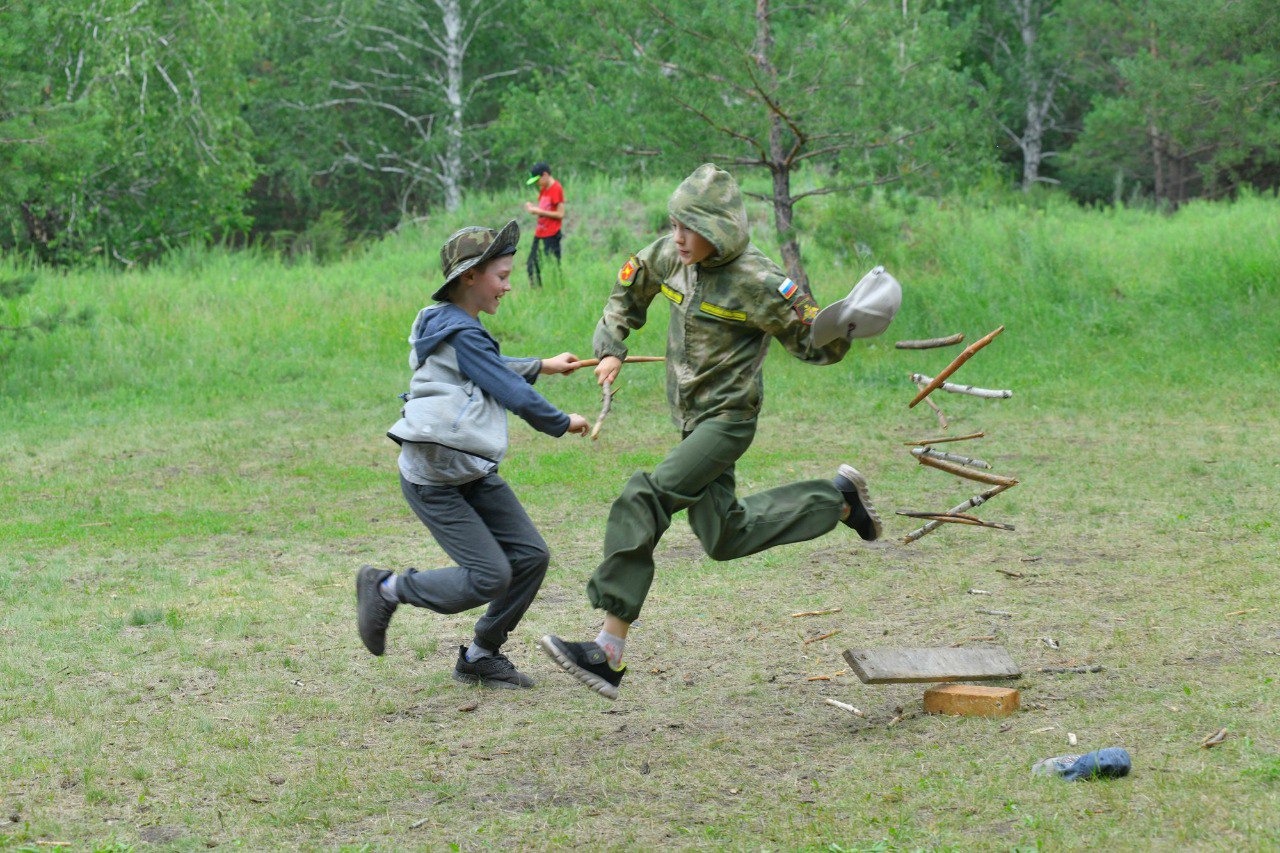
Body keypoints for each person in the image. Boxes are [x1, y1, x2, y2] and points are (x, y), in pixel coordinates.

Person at [539, 164, 900, 700]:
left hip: (727, 420)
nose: (678, 237)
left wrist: (848, 322)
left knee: (644, 497)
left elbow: (813, 341)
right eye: (675, 224)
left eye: (692, 227)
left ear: (722, 230)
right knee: (723, 536)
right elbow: (628, 293)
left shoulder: (759, 281)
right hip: (687, 422)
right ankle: (838, 501)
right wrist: (611, 346)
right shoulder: (670, 255)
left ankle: (607, 650)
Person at [356, 220, 590, 689]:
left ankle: (482, 654)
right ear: (469, 277)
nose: (507, 286)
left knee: (530, 557)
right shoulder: (461, 331)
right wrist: (562, 422)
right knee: (488, 575)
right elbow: (505, 387)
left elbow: (485, 365)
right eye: (501, 277)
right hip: (435, 481)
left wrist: (543, 365)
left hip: (468, 470)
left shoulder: (454, 326)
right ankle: (387, 589)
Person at [523, 162, 564, 288]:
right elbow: (545, 207)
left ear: (545, 175)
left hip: (551, 234)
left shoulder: (556, 188)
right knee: (532, 264)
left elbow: (560, 214)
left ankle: (558, 289)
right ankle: (537, 291)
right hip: (540, 233)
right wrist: (533, 207)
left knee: (552, 266)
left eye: (538, 180)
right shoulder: (544, 189)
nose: (537, 183)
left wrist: (538, 211)